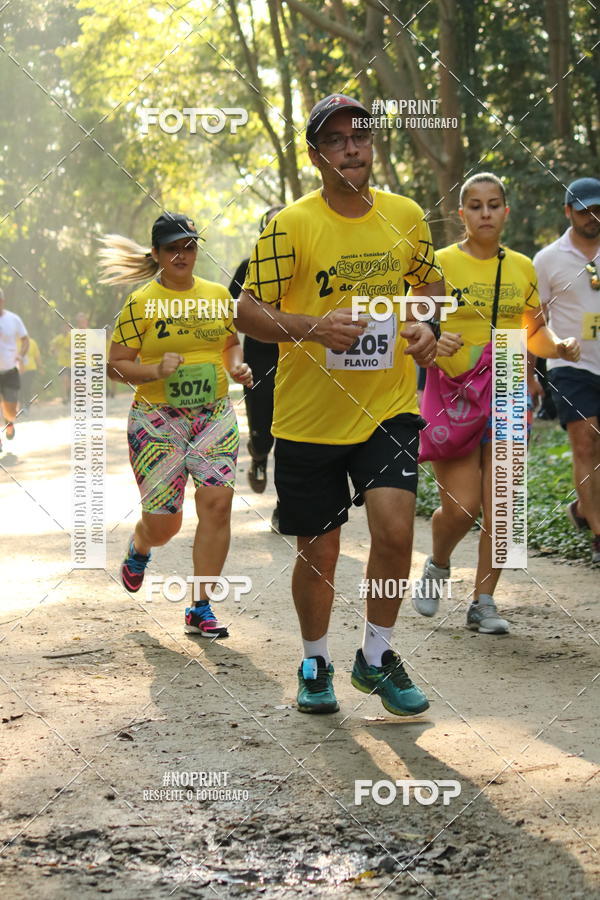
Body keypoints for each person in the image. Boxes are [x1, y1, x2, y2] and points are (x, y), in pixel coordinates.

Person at [236, 93, 449, 716]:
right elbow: (248, 310)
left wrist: (427, 325)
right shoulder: (292, 225)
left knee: (394, 531)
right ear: (315, 154)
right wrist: (312, 328)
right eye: (336, 139)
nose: (351, 146)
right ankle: (315, 660)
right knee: (320, 548)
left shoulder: (406, 215)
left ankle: (377, 656)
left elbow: (430, 288)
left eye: (360, 134)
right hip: (308, 418)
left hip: (387, 407)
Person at [413, 172, 581, 633]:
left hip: (508, 383)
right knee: (463, 506)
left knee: (503, 502)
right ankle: (439, 562)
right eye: (475, 205)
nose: (485, 213)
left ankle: (484, 600)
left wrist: (559, 346)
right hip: (453, 388)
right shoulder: (439, 265)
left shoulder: (523, 267)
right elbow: (415, 325)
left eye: (493, 205)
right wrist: (433, 337)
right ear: (462, 213)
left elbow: (535, 333)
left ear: (506, 212)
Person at [100, 211, 253, 636]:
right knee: (166, 523)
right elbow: (115, 365)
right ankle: (140, 546)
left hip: (213, 415)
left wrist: (238, 368)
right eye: (173, 248)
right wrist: (154, 371)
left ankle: (199, 607)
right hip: (156, 420)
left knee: (217, 503)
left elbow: (229, 345)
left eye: (189, 246)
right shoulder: (142, 303)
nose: (183, 254)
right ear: (157, 254)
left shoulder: (218, 295)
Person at [534, 177, 600, 565]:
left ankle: (582, 508)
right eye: (584, 211)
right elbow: (534, 320)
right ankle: (598, 536)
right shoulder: (548, 260)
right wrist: (530, 373)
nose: (592, 217)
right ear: (567, 212)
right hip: (569, 366)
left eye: (598, 210)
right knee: (586, 442)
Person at [229, 206, 283, 530]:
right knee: (263, 428)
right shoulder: (249, 267)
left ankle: (284, 505)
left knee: (293, 434)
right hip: (258, 359)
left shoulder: (308, 264)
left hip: (298, 358)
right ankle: (259, 454)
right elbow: (229, 312)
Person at [0, 287, 29, 451]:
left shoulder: (13, 319)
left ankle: (9, 422)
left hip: (10, 371)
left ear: (2, 301)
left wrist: (21, 355)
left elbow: (25, 340)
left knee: (10, 410)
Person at [19, 334, 41, 414]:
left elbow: (37, 356)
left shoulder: (32, 342)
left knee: (26, 387)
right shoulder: (16, 342)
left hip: (31, 369)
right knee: (20, 388)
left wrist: (40, 367)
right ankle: (21, 406)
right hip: (18, 370)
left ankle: (27, 406)